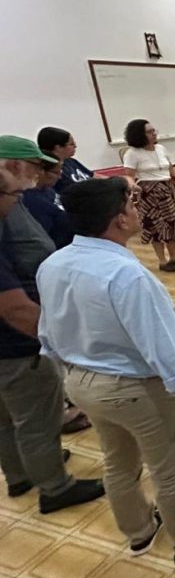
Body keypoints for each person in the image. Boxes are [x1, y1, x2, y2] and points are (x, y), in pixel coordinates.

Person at [37, 178, 175, 568]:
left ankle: (138, 531)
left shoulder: (52, 264)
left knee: (118, 461)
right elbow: (163, 347)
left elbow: (47, 333)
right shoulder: (126, 275)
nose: (137, 211)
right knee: (169, 466)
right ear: (119, 219)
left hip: (81, 382)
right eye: (132, 206)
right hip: (134, 389)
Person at [0, 166, 104, 512]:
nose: (18, 201)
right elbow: (15, 309)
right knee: (37, 422)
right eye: (14, 195)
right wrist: (62, 345)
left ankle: (19, 475)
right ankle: (55, 488)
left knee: (6, 418)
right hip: (17, 349)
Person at [122, 119, 175, 272]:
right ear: (139, 135)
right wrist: (133, 186)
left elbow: (171, 171)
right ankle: (162, 261)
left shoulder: (161, 149)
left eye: (154, 131)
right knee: (155, 226)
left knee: (172, 223)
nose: (154, 134)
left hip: (168, 189)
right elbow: (129, 176)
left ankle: (174, 257)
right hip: (149, 193)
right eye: (149, 132)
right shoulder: (132, 153)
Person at [22, 152, 73, 248]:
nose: (60, 177)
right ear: (40, 172)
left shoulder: (48, 189)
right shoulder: (32, 201)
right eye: (56, 173)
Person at [37, 127, 93, 193]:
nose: (75, 146)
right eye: (71, 144)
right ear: (58, 147)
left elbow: (94, 176)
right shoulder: (51, 170)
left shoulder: (71, 161)